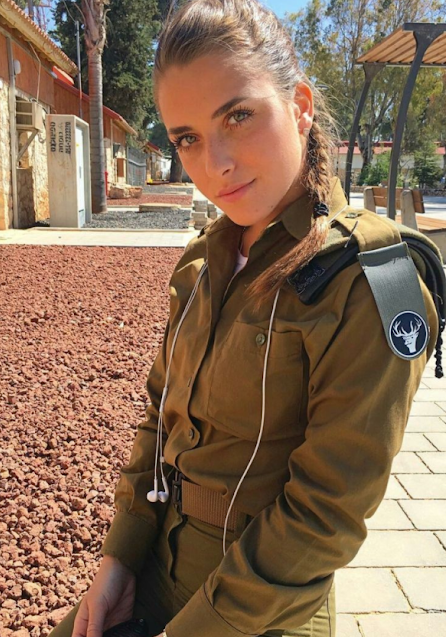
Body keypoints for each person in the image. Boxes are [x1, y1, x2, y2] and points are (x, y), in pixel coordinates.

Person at [48, 1, 441, 636]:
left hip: (261, 606)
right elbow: (159, 415)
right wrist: (119, 558)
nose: (216, 164)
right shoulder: (203, 260)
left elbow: (325, 515)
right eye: (187, 138)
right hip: (156, 562)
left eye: (238, 115)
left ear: (300, 105)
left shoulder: (368, 280)